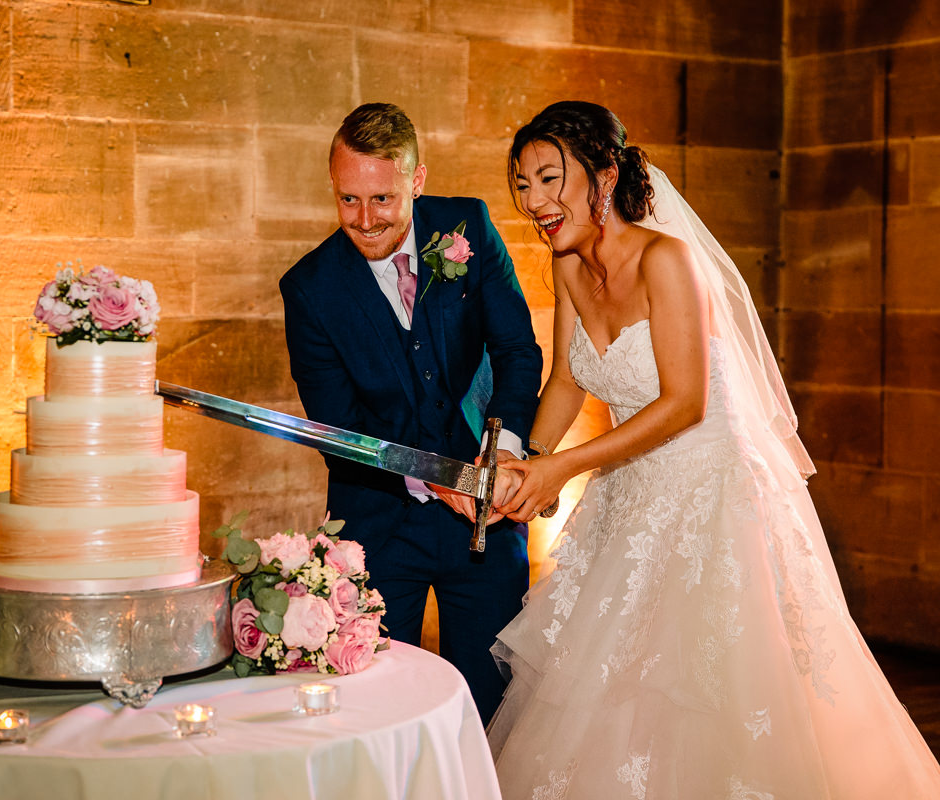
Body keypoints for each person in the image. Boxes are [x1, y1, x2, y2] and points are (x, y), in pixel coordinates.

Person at [468, 100, 940, 798]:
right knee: (609, 685)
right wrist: (525, 459)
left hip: (713, 490)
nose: (532, 201)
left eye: (547, 179)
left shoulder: (668, 260)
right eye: (522, 183)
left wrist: (562, 468)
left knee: (711, 681)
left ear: (602, 176)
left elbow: (685, 403)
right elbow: (567, 379)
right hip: (633, 491)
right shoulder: (566, 265)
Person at [279, 102, 544, 724]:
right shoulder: (309, 288)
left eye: (383, 200)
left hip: (488, 524)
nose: (365, 221)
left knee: (492, 706)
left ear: (416, 180)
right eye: (348, 200)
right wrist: (432, 474)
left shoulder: (468, 228)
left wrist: (503, 454)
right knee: (376, 708)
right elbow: (336, 425)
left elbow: (517, 350)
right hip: (377, 530)